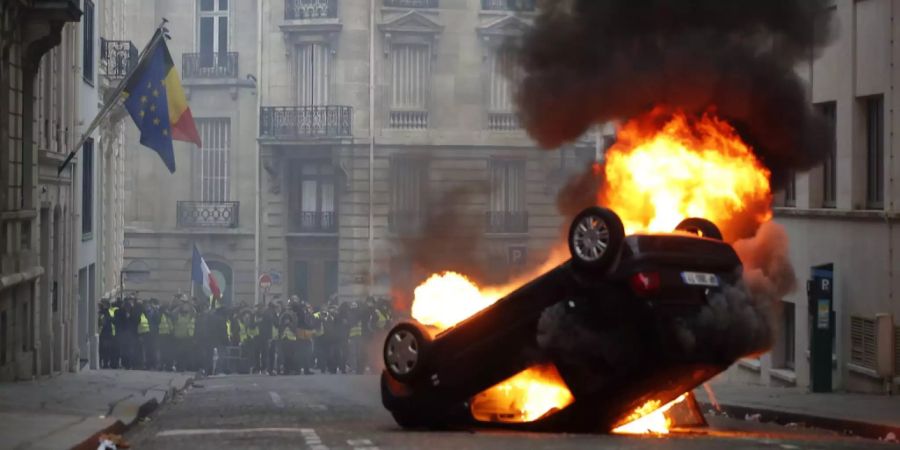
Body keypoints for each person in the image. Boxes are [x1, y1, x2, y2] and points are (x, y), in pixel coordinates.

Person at [172, 301, 195, 371]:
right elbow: (173, 313)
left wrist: (190, 304)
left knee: (184, 353)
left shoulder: (190, 316)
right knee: (179, 354)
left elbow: (193, 311)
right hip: (178, 338)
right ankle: (179, 366)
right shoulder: (176, 315)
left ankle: (183, 367)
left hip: (186, 338)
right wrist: (180, 306)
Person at [98, 299, 115, 369]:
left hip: (105, 333)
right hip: (108, 333)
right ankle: (105, 363)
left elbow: (102, 323)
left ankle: (104, 363)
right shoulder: (109, 312)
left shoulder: (102, 313)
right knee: (106, 350)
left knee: (104, 349)